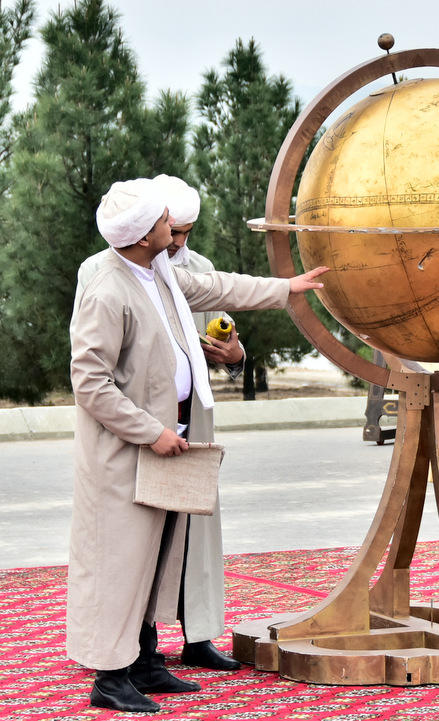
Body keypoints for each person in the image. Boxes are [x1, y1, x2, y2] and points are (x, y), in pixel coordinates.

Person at [67, 177, 328, 713]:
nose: (176, 230)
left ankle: (142, 664)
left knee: (155, 558)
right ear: (144, 234)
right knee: (119, 563)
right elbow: (90, 382)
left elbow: (223, 288)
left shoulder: (156, 273)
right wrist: (152, 431)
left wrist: (289, 288)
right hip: (130, 450)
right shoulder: (109, 288)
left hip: (170, 440)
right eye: (166, 222)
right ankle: (109, 679)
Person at [71, 175, 245, 673]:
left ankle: (195, 636)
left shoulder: (195, 268)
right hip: (141, 426)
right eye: (175, 228)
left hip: (193, 423)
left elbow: (228, 326)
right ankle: (132, 654)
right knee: (131, 541)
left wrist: (234, 354)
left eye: (189, 231)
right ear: (151, 228)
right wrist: (146, 425)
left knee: (191, 535)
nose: (182, 241)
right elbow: (95, 367)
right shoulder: (102, 274)